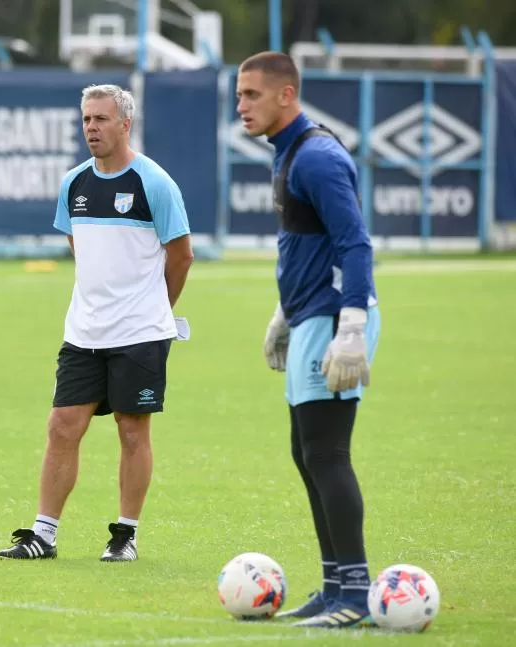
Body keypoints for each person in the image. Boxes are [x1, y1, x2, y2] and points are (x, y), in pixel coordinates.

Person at [0, 84, 193, 562]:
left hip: (141, 334)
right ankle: (44, 535)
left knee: (131, 430)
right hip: (83, 331)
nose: (91, 128)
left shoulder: (155, 183)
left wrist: (153, 310)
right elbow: (79, 248)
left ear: (125, 124)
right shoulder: (75, 184)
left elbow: (182, 256)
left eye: (101, 119)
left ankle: (125, 536)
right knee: (63, 426)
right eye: (86, 119)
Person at [235, 51, 381, 628]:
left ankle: (355, 593)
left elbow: (354, 244)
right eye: (239, 95)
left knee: (327, 453)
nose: (241, 105)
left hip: (333, 320)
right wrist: (282, 314)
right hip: (309, 316)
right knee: (307, 453)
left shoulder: (317, 157)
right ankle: (333, 586)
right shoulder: (289, 152)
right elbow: (307, 242)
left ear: (286, 95)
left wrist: (351, 330)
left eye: (250, 94)